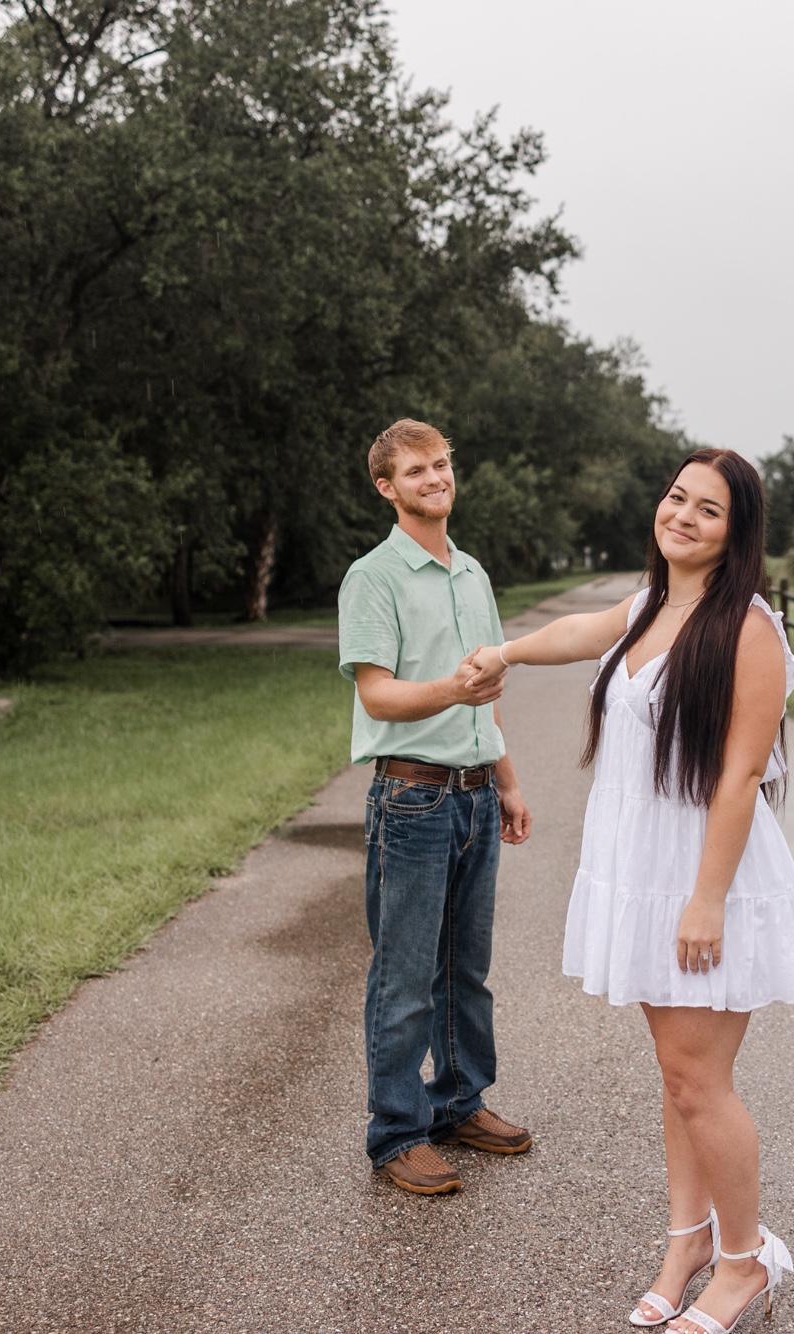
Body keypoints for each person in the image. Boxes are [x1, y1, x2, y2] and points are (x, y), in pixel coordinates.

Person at [466, 447, 794, 1331]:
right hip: (646, 873)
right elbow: (576, 633)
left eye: (709, 509)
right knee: (678, 1074)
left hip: (704, 879)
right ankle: (686, 1243)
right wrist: (502, 653)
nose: (683, 516)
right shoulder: (649, 608)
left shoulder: (748, 629)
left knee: (700, 1082)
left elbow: (741, 777)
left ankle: (744, 1265)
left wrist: (706, 899)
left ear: (736, 533)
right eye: (676, 497)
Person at [337, 418, 534, 1197]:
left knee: (466, 972)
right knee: (405, 977)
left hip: (476, 797)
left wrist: (507, 781)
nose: (435, 478)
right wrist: (452, 689)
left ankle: (459, 1103)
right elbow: (378, 695)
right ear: (386, 486)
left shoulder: (473, 574)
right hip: (412, 800)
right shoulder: (374, 577)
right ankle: (396, 1132)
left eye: (442, 464)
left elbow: (488, 694)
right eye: (417, 470)